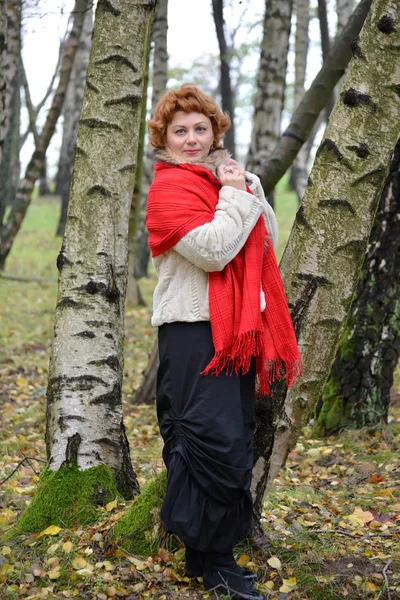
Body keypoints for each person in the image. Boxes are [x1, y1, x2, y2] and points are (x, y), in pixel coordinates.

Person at [145, 83, 301, 600]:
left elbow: (263, 240)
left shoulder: (227, 180)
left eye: (200, 128)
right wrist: (235, 196)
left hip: (235, 331)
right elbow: (214, 251)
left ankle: (209, 555)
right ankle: (212, 560)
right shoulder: (170, 190)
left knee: (232, 440)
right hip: (192, 330)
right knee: (205, 442)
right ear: (164, 138)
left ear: (215, 132)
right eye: (180, 130)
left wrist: (245, 188)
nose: (191, 139)